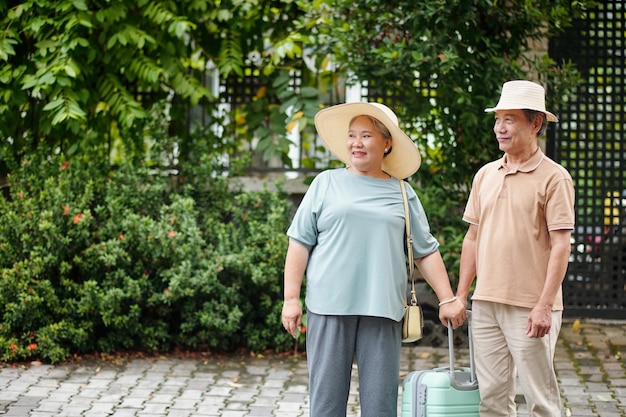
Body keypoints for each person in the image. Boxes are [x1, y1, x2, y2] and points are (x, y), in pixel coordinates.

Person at [281, 102, 466, 417]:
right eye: (352, 136)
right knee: (325, 404)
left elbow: (425, 250)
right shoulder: (325, 183)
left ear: (387, 143)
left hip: (382, 308)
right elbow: (299, 243)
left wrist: (447, 298)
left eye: (366, 135)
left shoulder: (403, 193)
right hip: (328, 306)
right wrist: (290, 299)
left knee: (380, 406)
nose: (356, 143)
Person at [456, 80, 575, 416]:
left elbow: (561, 246)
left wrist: (545, 305)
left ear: (535, 123)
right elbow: (472, 238)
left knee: (541, 401)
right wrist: (462, 295)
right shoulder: (485, 175)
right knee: (491, 400)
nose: (500, 128)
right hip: (486, 304)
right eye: (497, 119)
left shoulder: (555, 178)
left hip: (530, 307)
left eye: (509, 119)